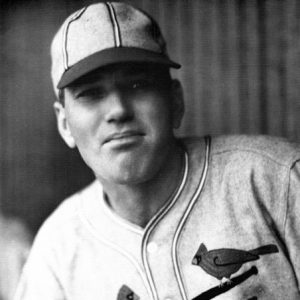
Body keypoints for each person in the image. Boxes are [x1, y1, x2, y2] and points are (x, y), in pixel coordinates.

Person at [15, 2, 300, 300]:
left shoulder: (277, 182)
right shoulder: (57, 248)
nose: (118, 110)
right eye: (91, 93)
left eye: (138, 84)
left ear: (176, 102)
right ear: (64, 124)